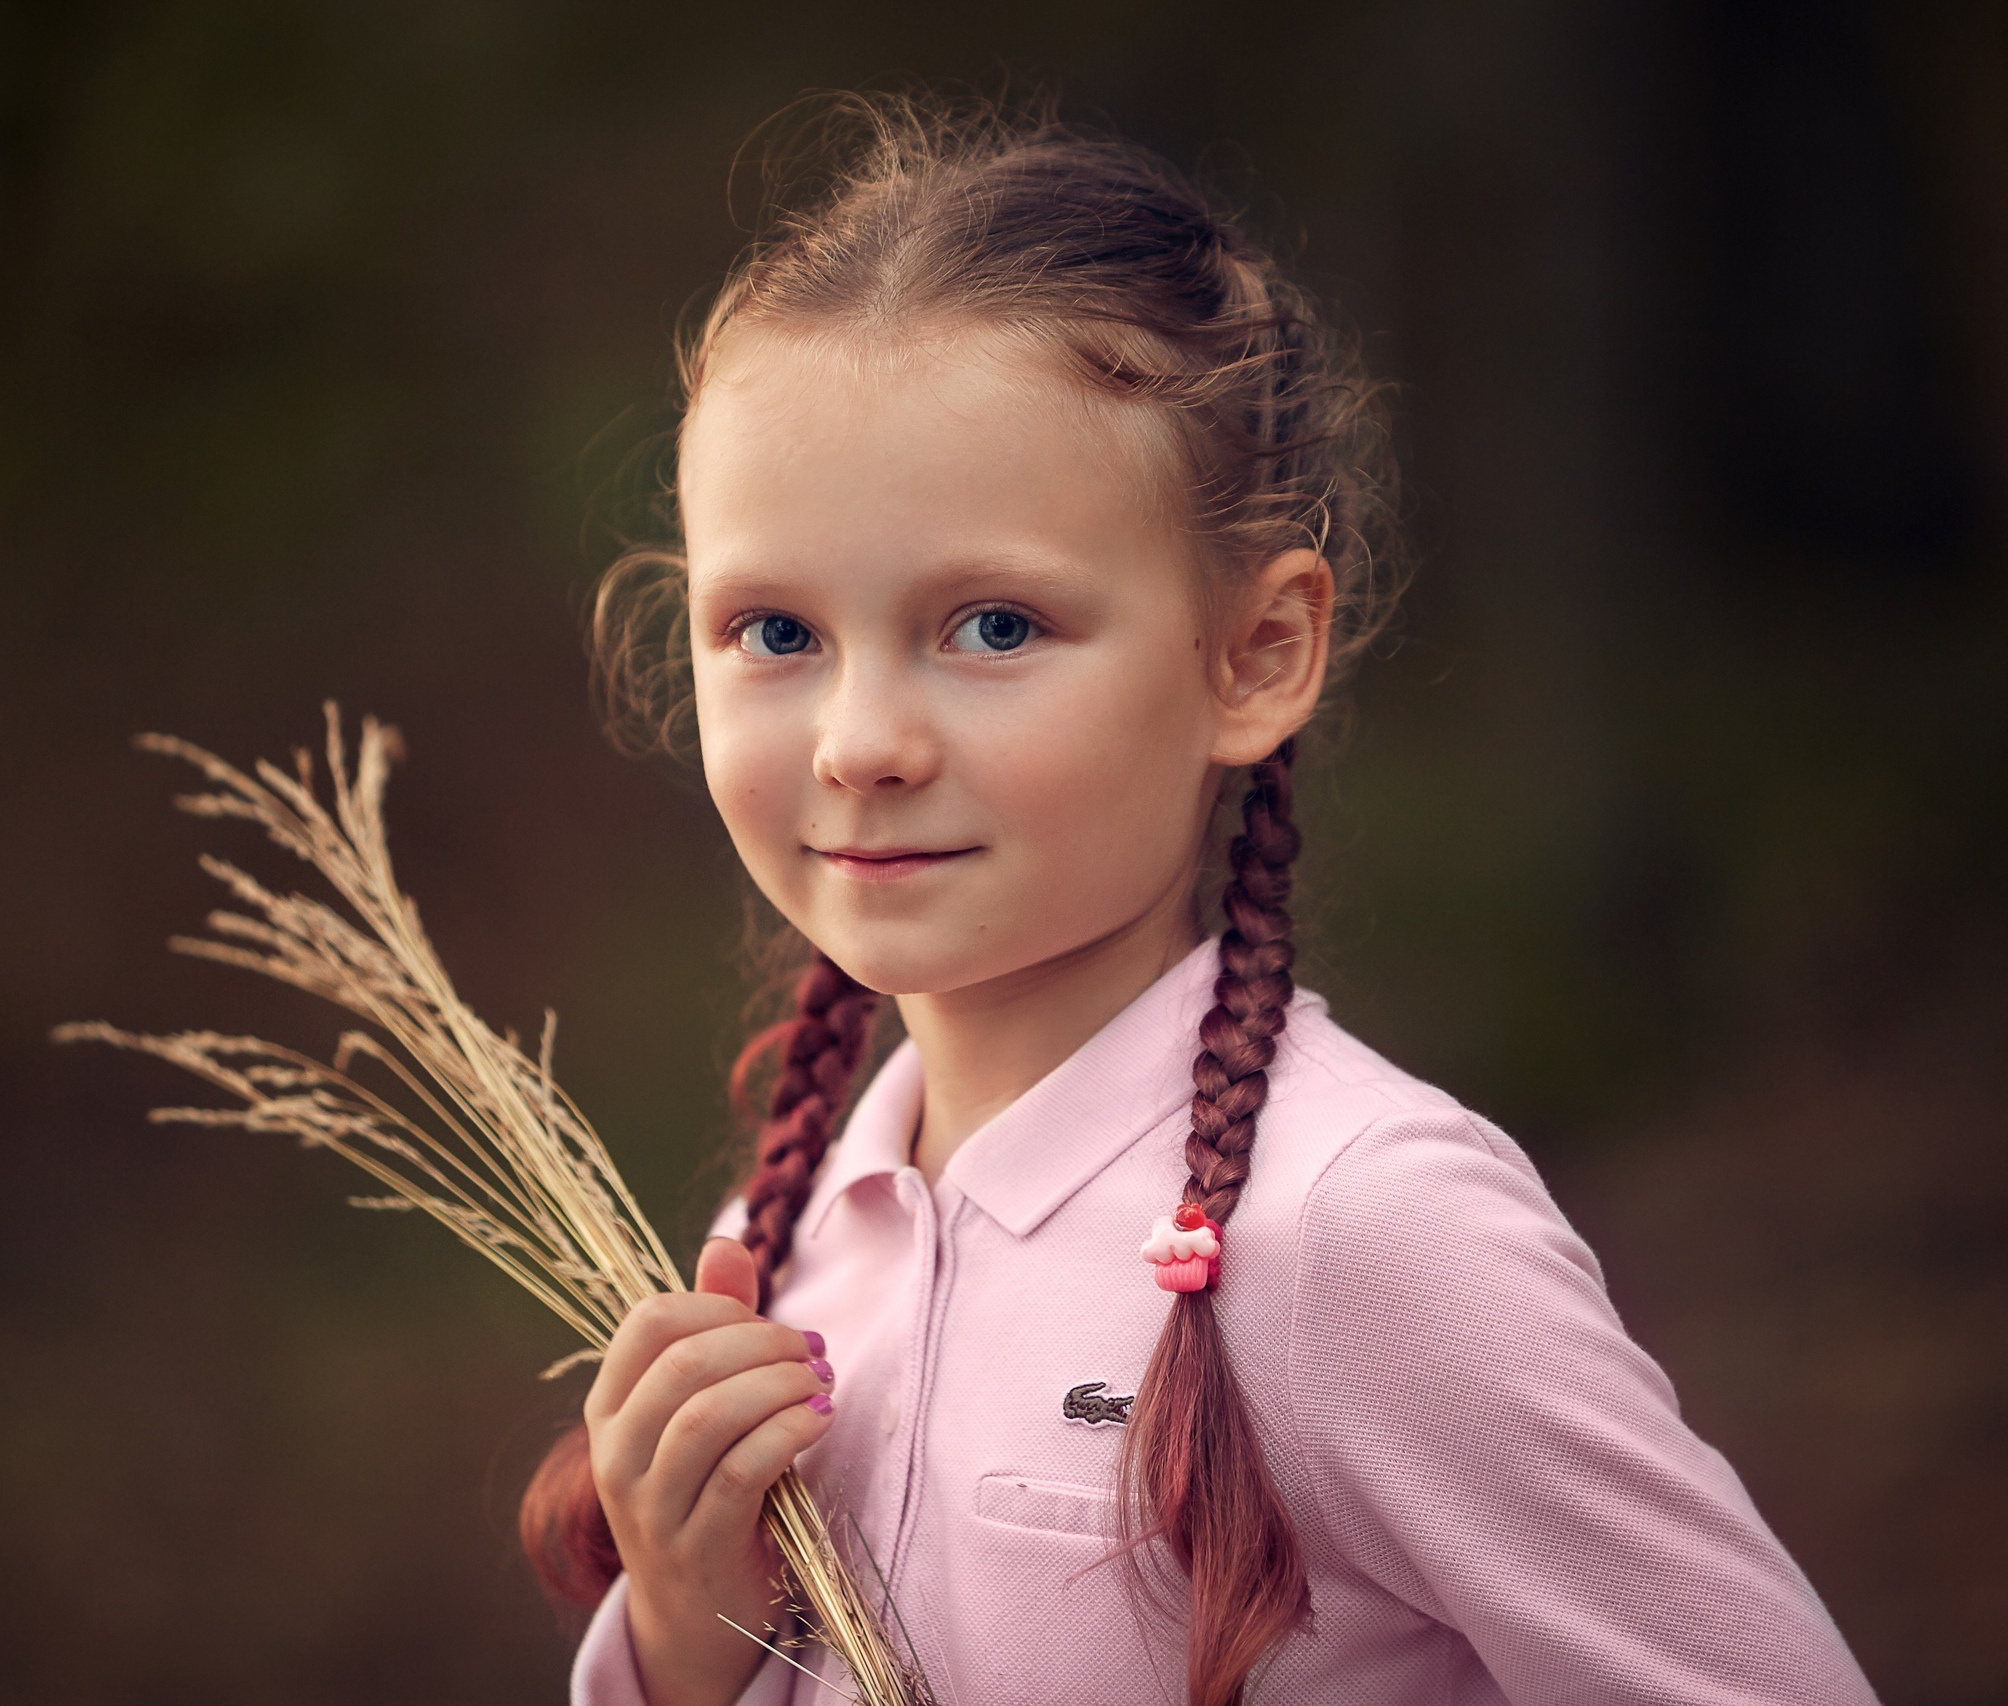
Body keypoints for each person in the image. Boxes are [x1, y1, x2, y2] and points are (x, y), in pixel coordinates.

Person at [519, 95, 1878, 1706]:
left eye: (997, 626)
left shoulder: (1364, 1228)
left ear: (1255, 655)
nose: (863, 741)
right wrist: (687, 1629)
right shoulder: (792, 1230)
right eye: (775, 632)